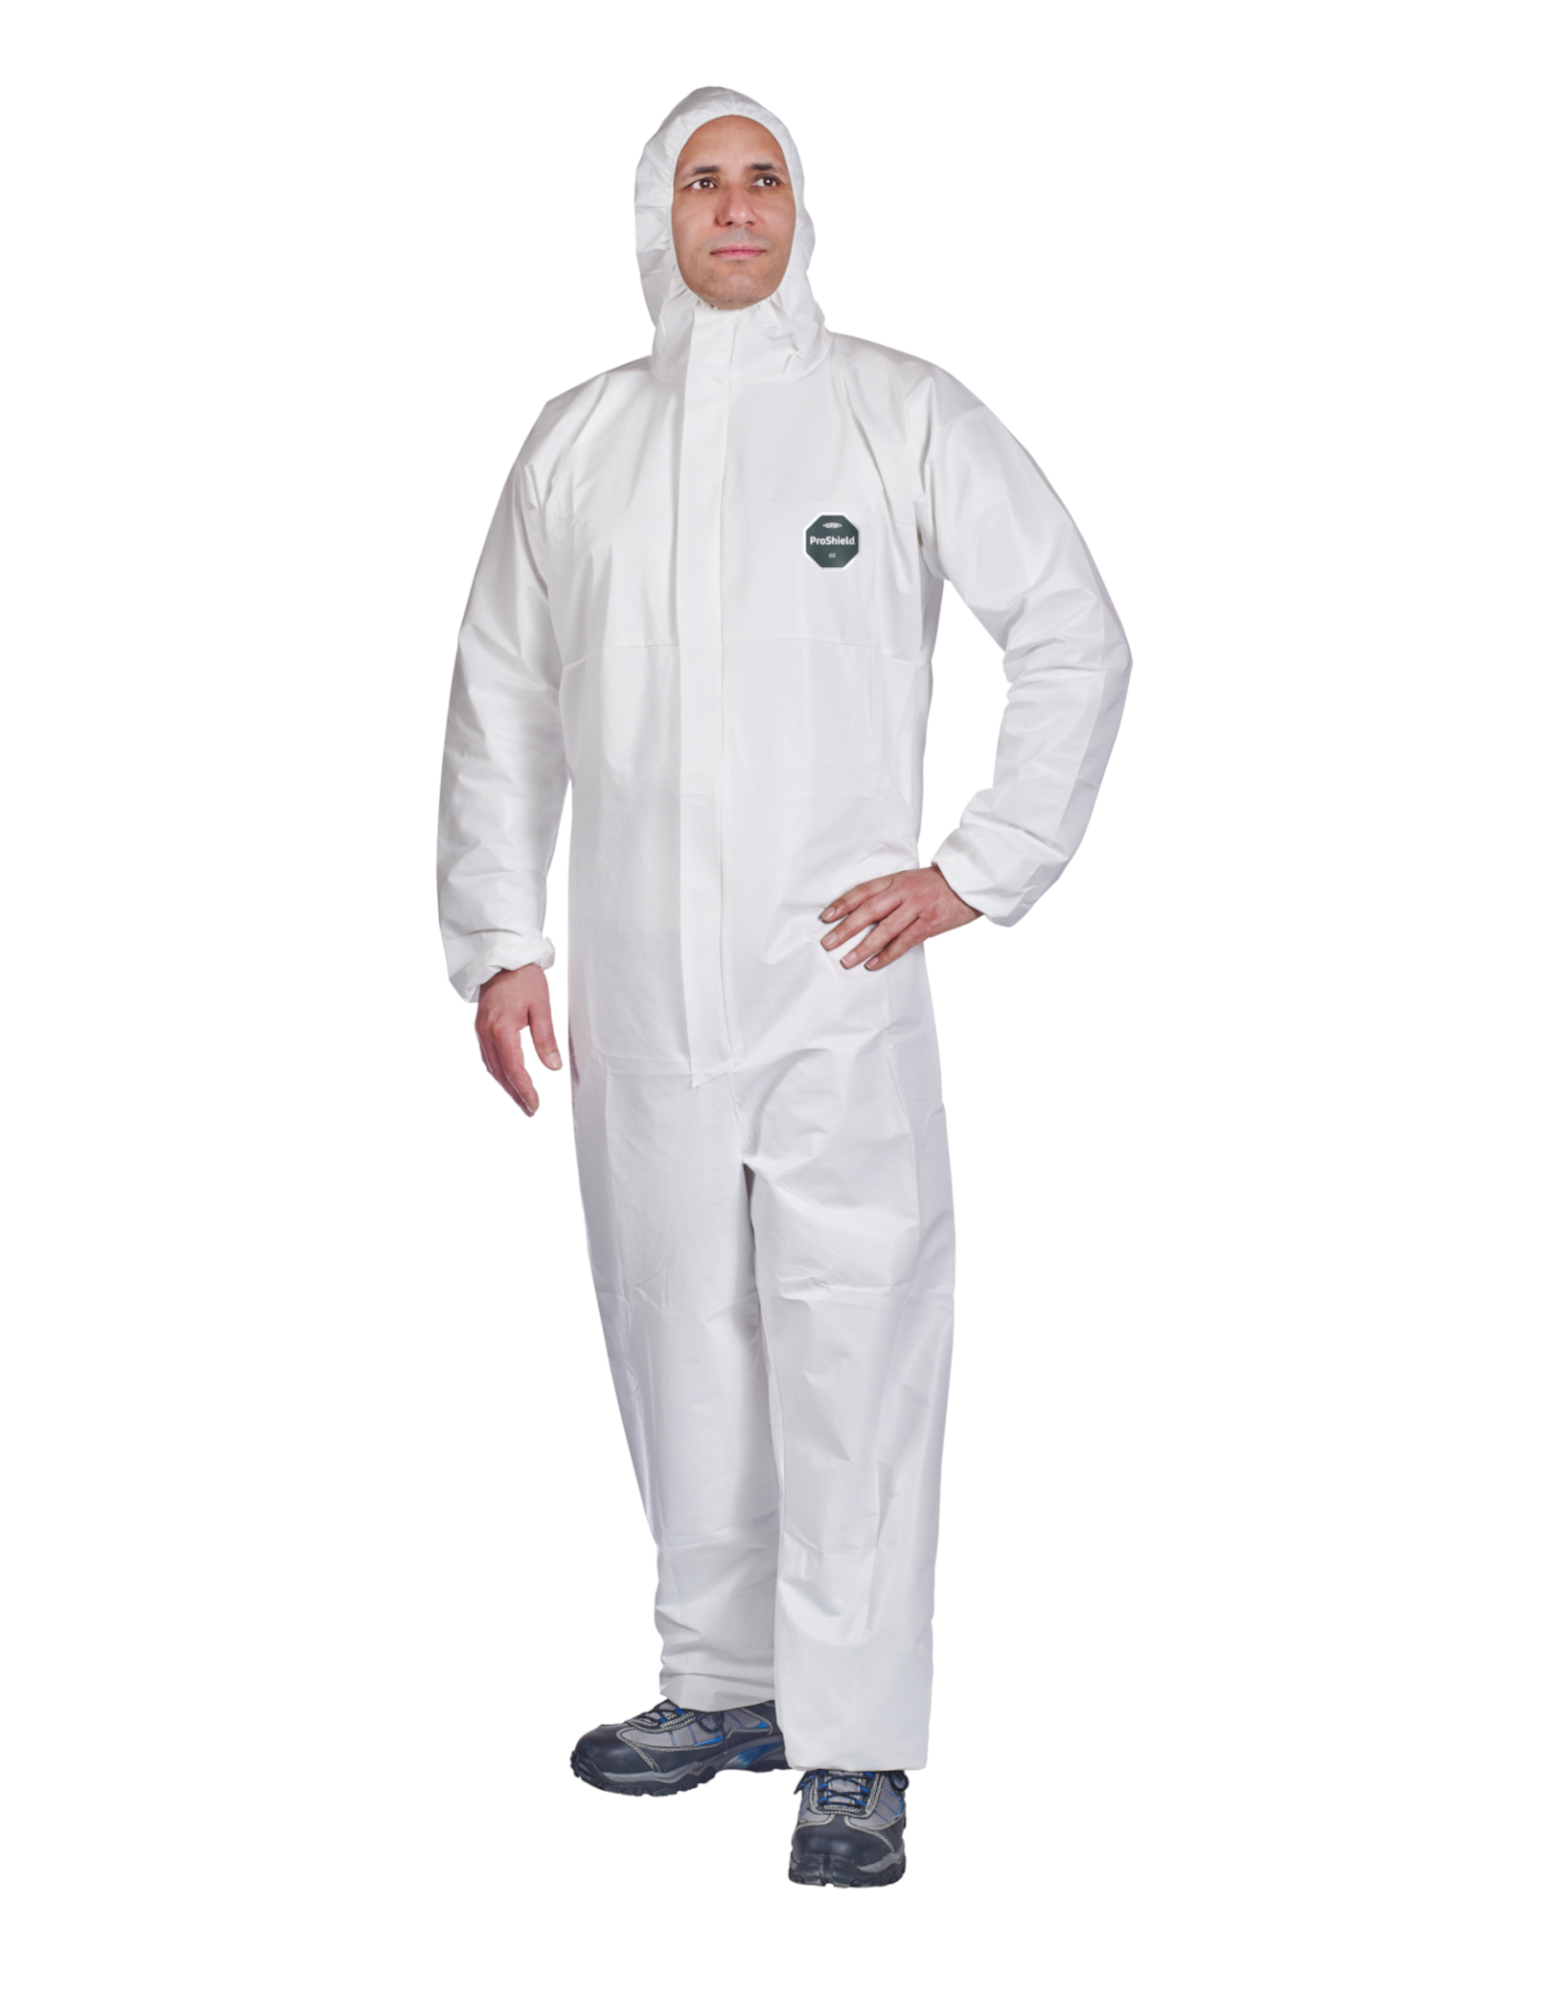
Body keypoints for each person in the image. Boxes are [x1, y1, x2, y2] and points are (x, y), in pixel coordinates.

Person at [437, 86, 1130, 1888]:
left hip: (835, 984)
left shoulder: (897, 412)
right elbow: (502, 697)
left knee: (854, 1337)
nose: (733, 206)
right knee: (675, 1329)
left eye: (763, 178)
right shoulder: (579, 444)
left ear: (802, 214)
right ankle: (723, 1683)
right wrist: (500, 937)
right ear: (655, 217)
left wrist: (980, 865)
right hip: (641, 988)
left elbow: (1072, 627)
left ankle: (857, 1744)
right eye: (702, 180)